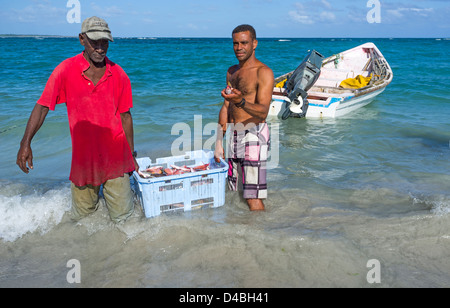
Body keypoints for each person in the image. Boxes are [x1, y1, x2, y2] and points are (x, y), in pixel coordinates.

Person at [16, 16, 138, 223]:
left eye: (104, 42)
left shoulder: (119, 74)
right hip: (83, 162)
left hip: (116, 159)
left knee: (125, 220)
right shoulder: (65, 70)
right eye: (95, 42)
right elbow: (43, 106)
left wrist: (131, 155)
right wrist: (25, 143)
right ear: (82, 39)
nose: (100, 48)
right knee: (84, 222)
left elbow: (126, 117)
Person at [214, 25, 274, 211]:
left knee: (252, 196)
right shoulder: (232, 72)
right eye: (235, 43)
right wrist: (218, 141)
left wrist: (241, 102)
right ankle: (240, 234)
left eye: (244, 43)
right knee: (236, 191)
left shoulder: (263, 72)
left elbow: (263, 112)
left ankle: (260, 236)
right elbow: (226, 106)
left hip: (254, 133)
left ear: (254, 44)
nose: (239, 47)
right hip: (234, 134)